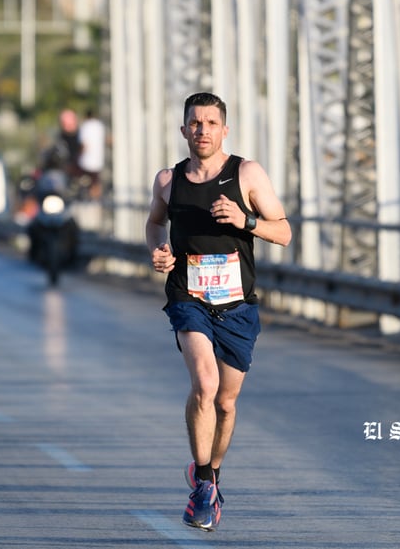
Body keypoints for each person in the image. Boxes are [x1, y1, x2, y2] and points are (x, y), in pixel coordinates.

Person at [145, 92, 292, 531]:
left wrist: (245, 220)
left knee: (226, 403)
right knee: (205, 385)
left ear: (224, 129)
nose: (202, 130)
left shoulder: (246, 173)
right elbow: (155, 223)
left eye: (211, 123)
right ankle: (203, 484)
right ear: (183, 128)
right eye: (195, 122)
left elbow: (283, 232)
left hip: (237, 305)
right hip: (188, 299)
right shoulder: (169, 180)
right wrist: (158, 249)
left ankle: (211, 471)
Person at [76, 109, 106, 200]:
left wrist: (78, 155)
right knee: (96, 181)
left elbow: (84, 145)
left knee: (86, 181)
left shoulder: (85, 126)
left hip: (86, 160)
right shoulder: (100, 125)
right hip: (98, 159)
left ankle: (90, 198)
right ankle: (97, 198)